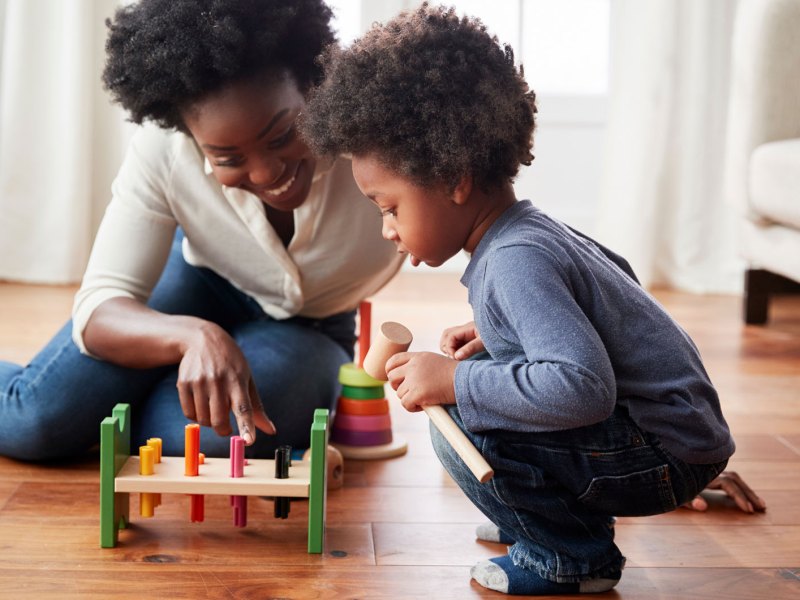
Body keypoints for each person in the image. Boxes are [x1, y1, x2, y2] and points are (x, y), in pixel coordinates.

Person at [301, 4, 763, 594]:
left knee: (461, 425)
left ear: (454, 179)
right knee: (488, 371)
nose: (387, 229)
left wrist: (451, 384)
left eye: (390, 208)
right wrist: (499, 334)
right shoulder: (530, 231)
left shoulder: (514, 259)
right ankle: (541, 518)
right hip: (678, 436)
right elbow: (611, 302)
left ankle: (570, 554)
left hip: (661, 453)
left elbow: (583, 388)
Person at [0, 0, 403, 461]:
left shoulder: (377, 133)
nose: (269, 172)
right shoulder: (164, 152)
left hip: (311, 325)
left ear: (313, 86)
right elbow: (99, 308)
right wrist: (192, 338)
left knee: (188, 439)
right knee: (35, 422)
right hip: (201, 281)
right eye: (228, 159)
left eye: (282, 135)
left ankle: (125, 392)